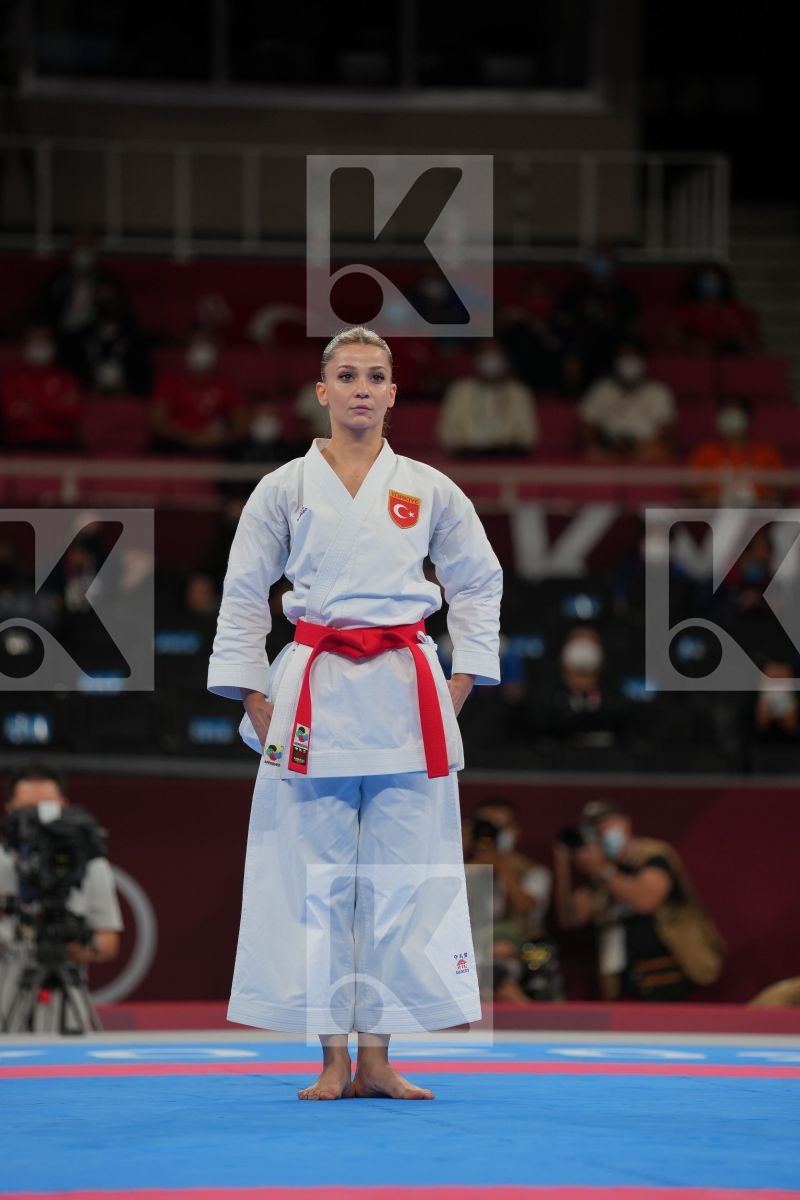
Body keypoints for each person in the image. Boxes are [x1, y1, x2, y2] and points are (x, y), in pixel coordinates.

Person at [208, 325, 502, 1100]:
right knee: (314, 880)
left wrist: (462, 677)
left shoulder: (431, 487)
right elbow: (244, 596)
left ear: (394, 393)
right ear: (323, 390)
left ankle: (379, 1054)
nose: (362, 388)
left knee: (402, 879)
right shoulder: (283, 487)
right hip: (314, 688)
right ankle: (330, 1057)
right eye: (348, 375)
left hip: (407, 689)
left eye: (376, 375)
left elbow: (478, 582)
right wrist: (252, 692)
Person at [553, 800, 725, 1001]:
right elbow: (570, 919)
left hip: (665, 971)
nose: (600, 832)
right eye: (593, 828)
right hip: (624, 977)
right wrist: (563, 866)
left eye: (604, 825)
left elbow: (646, 901)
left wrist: (602, 871)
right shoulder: (599, 873)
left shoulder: (651, 855)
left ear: (625, 823)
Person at [0, 765, 123, 1026]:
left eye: (45, 808)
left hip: (65, 1015)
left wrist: (69, 945)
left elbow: (109, 942)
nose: (38, 820)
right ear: (9, 809)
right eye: (27, 810)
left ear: (63, 807)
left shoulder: (89, 865)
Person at [151, 327, 248, 452]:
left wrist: (222, 437)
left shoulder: (226, 386)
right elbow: (158, 421)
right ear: (187, 350)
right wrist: (191, 437)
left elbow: (241, 423)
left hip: (217, 446)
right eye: (196, 345)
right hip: (177, 445)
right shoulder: (169, 382)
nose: (201, 350)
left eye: (206, 344)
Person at [579, 338, 675, 462]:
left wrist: (637, 446)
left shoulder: (658, 392)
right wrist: (603, 442)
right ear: (616, 361)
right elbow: (585, 425)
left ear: (643, 361)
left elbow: (667, 431)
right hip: (609, 448)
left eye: (633, 358)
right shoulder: (602, 390)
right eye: (624, 357)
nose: (628, 363)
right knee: (592, 453)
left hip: (644, 449)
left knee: (661, 452)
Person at [437, 339, 539, 456]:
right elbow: (447, 433)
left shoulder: (518, 392)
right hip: (467, 457)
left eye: (495, 354)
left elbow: (529, 435)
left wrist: (508, 443)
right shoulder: (460, 390)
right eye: (485, 354)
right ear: (476, 358)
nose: (491, 359)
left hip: (509, 457)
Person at [688, 395, 784, 506]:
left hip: (759, 513)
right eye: (725, 414)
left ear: (748, 418)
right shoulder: (704, 451)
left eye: (734, 415)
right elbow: (690, 490)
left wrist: (764, 501)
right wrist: (709, 499)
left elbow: (782, 489)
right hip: (714, 514)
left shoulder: (767, 452)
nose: (730, 419)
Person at [0, 324, 82, 449]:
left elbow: (70, 414)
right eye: (34, 342)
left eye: (43, 342)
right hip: (18, 447)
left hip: (60, 447)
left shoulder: (66, 379)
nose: (39, 347)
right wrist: (54, 404)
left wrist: (32, 403)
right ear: (24, 346)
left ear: (54, 346)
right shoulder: (10, 379)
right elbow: (12, 415)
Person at [677, 264, 759, 356]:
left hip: (728, 360)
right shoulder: (686, 311)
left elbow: (747, 342)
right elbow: (674, 337)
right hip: (695, 361)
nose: (710, 284)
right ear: (696, 283)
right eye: (706, 280)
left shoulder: (734, 311)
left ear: (723, 283)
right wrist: (692, 345)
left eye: (714, 281)